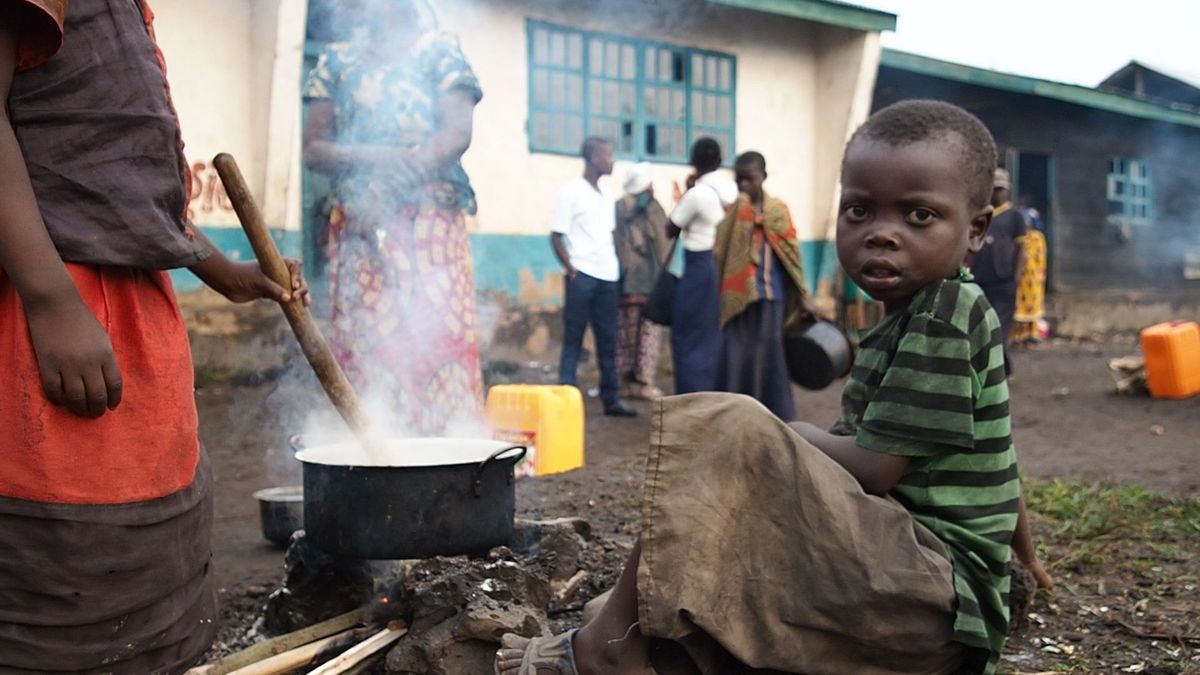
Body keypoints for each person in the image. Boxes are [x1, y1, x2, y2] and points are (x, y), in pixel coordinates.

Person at [496, 100, 1052, 675]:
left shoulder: (946, 311)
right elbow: (997, 455)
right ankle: (631, 641)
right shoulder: (917, 314)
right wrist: (1024, 557)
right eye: (859, 211)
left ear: (976, 231)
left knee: (731, 426)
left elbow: (879, 468)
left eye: (917, 216)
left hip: (934, 599)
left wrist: (791, 433)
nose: (882, 235)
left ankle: (607, 651)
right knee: (667, 591)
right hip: (926, 588)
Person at [0, 2, 309, 671]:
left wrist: (227, 272)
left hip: (136, 325)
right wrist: (51, 300)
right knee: (62, 600)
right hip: (53, 316)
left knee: (156, 598)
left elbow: (120, 189)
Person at [304, 0, 486, 435]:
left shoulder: (439, 51)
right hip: (358, 226)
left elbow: (457, 134)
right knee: (367, 342)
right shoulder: (336, 61)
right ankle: (375, 453)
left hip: (429, 225)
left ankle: (452, 455)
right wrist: (380, 158)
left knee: (437, 337)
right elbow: (314, 148)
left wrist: (384, 187)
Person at [713, 151, 814, 420]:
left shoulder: (779, 211)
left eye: (749, 179)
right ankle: (735, 413)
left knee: (769, 354)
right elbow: (721, 252)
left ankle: (776, 415)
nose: (744, 185)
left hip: (772, 295)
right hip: (738, 297)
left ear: (763, 177)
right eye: (739, 181)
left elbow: (792, 254)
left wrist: (803, 293)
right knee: (736, 355)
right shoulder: (733, 212)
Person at [552, 138, 637, 418]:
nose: (612, 161)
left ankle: (611, 398)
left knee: (608, 339)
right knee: (574, 338)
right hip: (582, 276)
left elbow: (610, 235)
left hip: (607, 277)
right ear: (592, 156)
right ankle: (563, 399)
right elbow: (556, 236)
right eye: (608, 155)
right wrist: (572, 269)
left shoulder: (606, 194)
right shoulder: (571, 191)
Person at [667, 137, 738, 394]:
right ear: (719, 161)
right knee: (712, 332)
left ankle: (690, 394)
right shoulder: (732, 189)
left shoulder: (696, 194)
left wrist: (687, 192)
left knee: (686, 334)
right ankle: (714, 391)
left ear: (693, 162)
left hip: (698, 265)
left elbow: (670, 228)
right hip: (725, 265)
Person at [614, 163, 670, 400]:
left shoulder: (618, 206)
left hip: (625, 280)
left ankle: (624, 383)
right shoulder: (654, 208)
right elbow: (664, 242)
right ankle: (645, 384)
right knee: (648, 334)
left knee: (625, 334)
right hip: (649, 282)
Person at [970, 168, 1028, 374]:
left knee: (1000, 328)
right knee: (983, 326)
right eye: (994, 189)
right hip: (981, 279)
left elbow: (1021, 249)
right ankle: (1003, 368)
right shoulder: (980, 215)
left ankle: (998, 371)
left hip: (1004, 281)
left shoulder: (1014, 216)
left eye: (1001, 189)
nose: (998, 193)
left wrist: (1016, 277)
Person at [1012, 198, 1047, 342]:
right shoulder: (1020, 238)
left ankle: (1032, 333)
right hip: (1022, 276)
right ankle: (1018, 334)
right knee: (1019, 304)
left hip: (1034, 277)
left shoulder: (1037, 238)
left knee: (1033, 304)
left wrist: (1041, 274)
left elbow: (1042, 257)